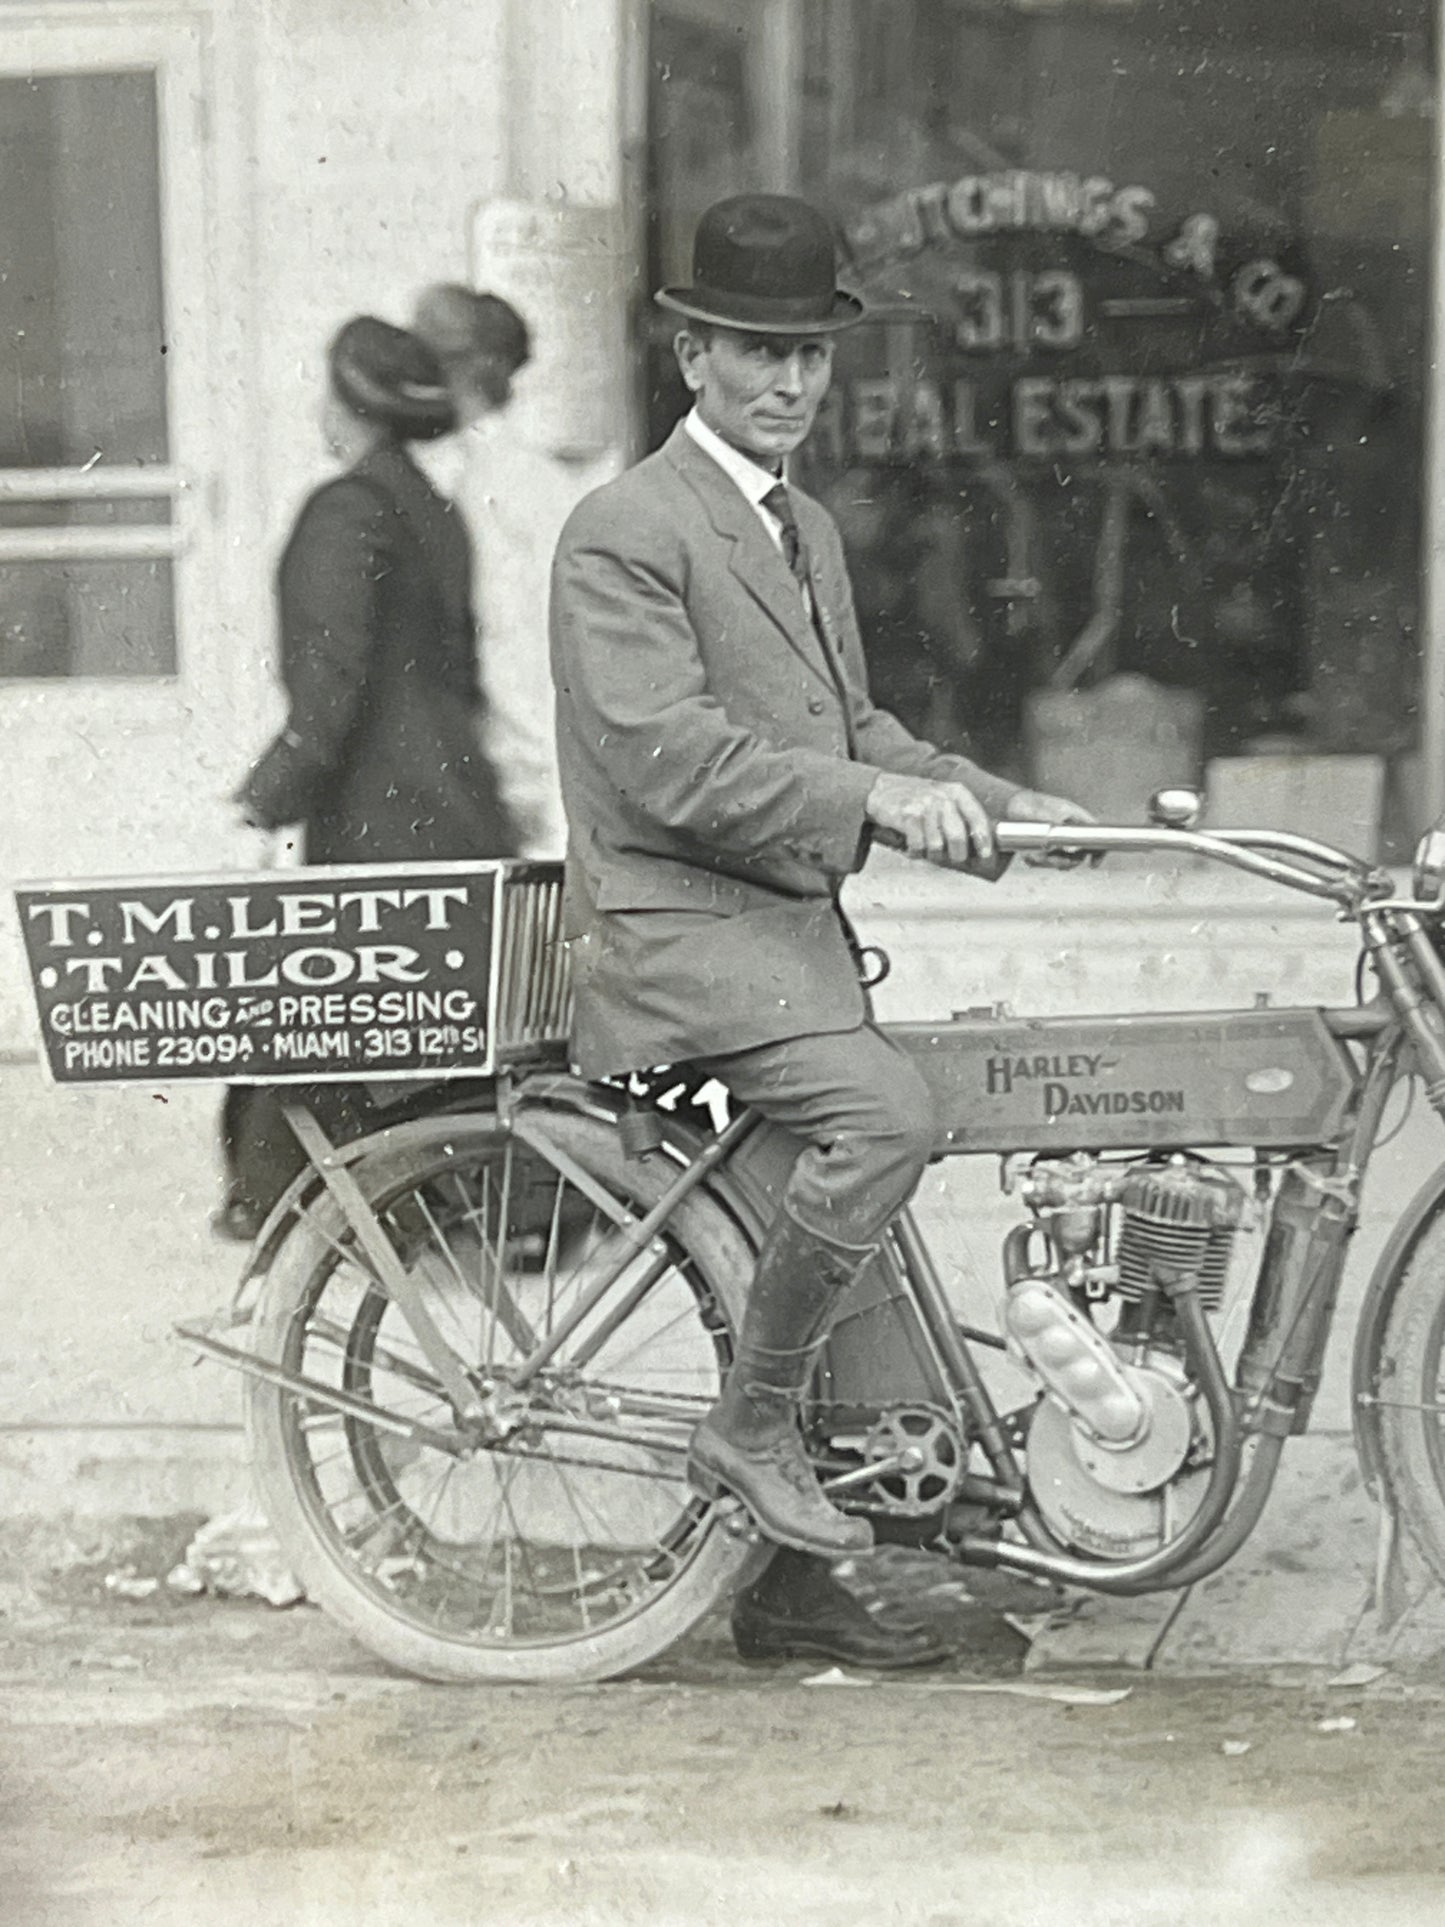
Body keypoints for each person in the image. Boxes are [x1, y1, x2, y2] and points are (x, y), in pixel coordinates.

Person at [549, 194, 1091, 1667]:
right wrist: (882, 807)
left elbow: (849, 727)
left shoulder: (803, 525)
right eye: (756, 350)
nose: (790, 380)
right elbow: (674, 758)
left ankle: (791, 1587)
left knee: (852, 1202)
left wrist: (994, 804)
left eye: (811, 354)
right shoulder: (625, 530)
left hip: (780, 946)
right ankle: (747, 1428)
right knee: (886, 1115)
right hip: (680, 946)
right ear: (692, 356)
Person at [217, 315, 519, 1239]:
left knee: (318, 1018)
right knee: (379, 1024)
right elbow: (457, 680)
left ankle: (289, 1225)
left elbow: (329, 696)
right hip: (454, 812)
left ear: (350, 409)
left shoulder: (343, 510)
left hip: (384, 820)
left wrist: (258, 805)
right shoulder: (432, 512)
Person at [411, 283, 568, 857]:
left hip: (516, 773)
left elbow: (513, 645)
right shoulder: (453, 470)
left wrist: (523, 784)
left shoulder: (503, 484)